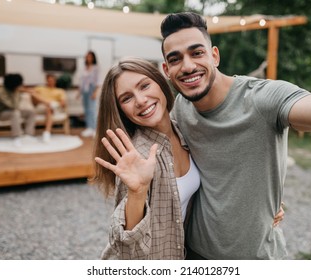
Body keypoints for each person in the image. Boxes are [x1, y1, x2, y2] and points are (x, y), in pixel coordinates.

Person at [160, 12, 311, 260]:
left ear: (214, 56)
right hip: (195, 254)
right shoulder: (180, 107)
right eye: (176, 59)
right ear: (167, 70)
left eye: (197, 53)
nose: (187, 66)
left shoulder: (262, 99)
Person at [91, 57, 284, 260]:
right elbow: (129, 251)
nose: (140, 100)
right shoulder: (136, 157)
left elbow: (224, 170)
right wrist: (137, 193)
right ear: (121, 109)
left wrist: (263, 201)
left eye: (145, 86)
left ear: (160, 81)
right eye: (127, 98)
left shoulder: (183, 128)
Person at [0, 73, 36, 147]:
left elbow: (16, 105)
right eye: (19, 85)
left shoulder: (14, 90)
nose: (20, 86)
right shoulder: (1, 91)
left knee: (31, 112)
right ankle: (17, 137)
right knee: (15, 113)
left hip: (13, 111)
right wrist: (17, 92)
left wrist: (17, 92)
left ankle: (28, 135)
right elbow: (13, 106)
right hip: (0, 114)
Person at [32, 74, 67, 142]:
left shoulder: (60, 91)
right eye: (48, 80)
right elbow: (30, 92)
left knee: (49, 108)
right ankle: (46, 102)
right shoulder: (40, 88)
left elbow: (63, 103)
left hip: (53, 107)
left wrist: (54, 104)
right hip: (40, 107)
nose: (50, 82)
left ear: (55, 81)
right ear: (46, 81)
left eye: (52, 80)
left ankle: (47, 133)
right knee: (34, 94)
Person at [77, 50, 101, 138]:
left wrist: (95, 92)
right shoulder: (84, 68)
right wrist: (79, 93)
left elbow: (98, 81)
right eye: (87, 56)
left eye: (90, 56)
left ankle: (95, 129)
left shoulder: (96, 68)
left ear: (93, 58)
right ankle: (89, 128)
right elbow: (82, 81)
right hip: (84, 91)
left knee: (92, 110)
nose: (88, 58)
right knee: (86, 110)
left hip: (92, 89)